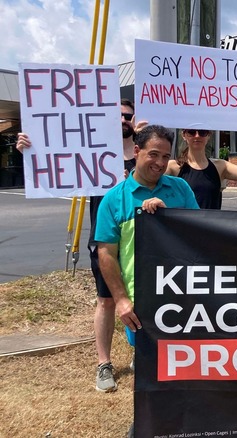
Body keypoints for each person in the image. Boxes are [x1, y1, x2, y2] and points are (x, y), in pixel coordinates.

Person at [15, 98, 138, 392]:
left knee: (142, 297)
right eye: (117, 115)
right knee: (107, 301)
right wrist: (31, 151)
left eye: (128, 116)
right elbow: (55, 164)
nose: (123, 120)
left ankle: (140, 354)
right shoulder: (90, 151)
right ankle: (104, 364)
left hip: (138, 241)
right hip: (105, 239)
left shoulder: (141, 154)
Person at [95, 125, 199, 348]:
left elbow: (198, 235)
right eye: (153, 154)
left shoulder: (181, 189)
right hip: (140, 299)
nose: (160, 163)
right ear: (136, 151)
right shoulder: (113, 200)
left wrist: (167, 216)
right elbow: (106, 255)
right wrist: (122, 300)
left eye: (165, 156)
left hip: (184, 294)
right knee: (147, 361)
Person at [163, 121, 237, 209]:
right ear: (184, 135)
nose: (197, 136)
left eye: (202, 132)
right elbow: (149, 179)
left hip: (210, 227)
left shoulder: (220, 166)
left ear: (208, 135)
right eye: (191, 132)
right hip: (183, 227)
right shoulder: (173, 167)